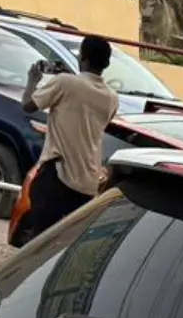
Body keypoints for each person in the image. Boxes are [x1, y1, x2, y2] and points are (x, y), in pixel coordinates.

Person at [16, 35, 119, 241]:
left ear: (83, 59)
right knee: (65, 244)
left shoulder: (64, 83)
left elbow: (28, 105)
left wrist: (32, 80)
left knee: (41, 243)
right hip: (88, 183)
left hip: (58, 176)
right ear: (106, 64)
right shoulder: (112, 97)